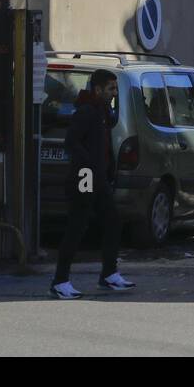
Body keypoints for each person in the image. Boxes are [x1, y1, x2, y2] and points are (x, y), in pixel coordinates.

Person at [50, 69, 135, 298]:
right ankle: (60, 281)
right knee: (77, 226)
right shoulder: (86, 111)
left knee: (113, 221)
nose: (114, 93)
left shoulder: (102, 111)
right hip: (85, 178)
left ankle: (109, 275)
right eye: (111, 88)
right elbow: (71, 143)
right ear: (98, 89)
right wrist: (88, 167)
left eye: (115, 88)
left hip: (98, 178)